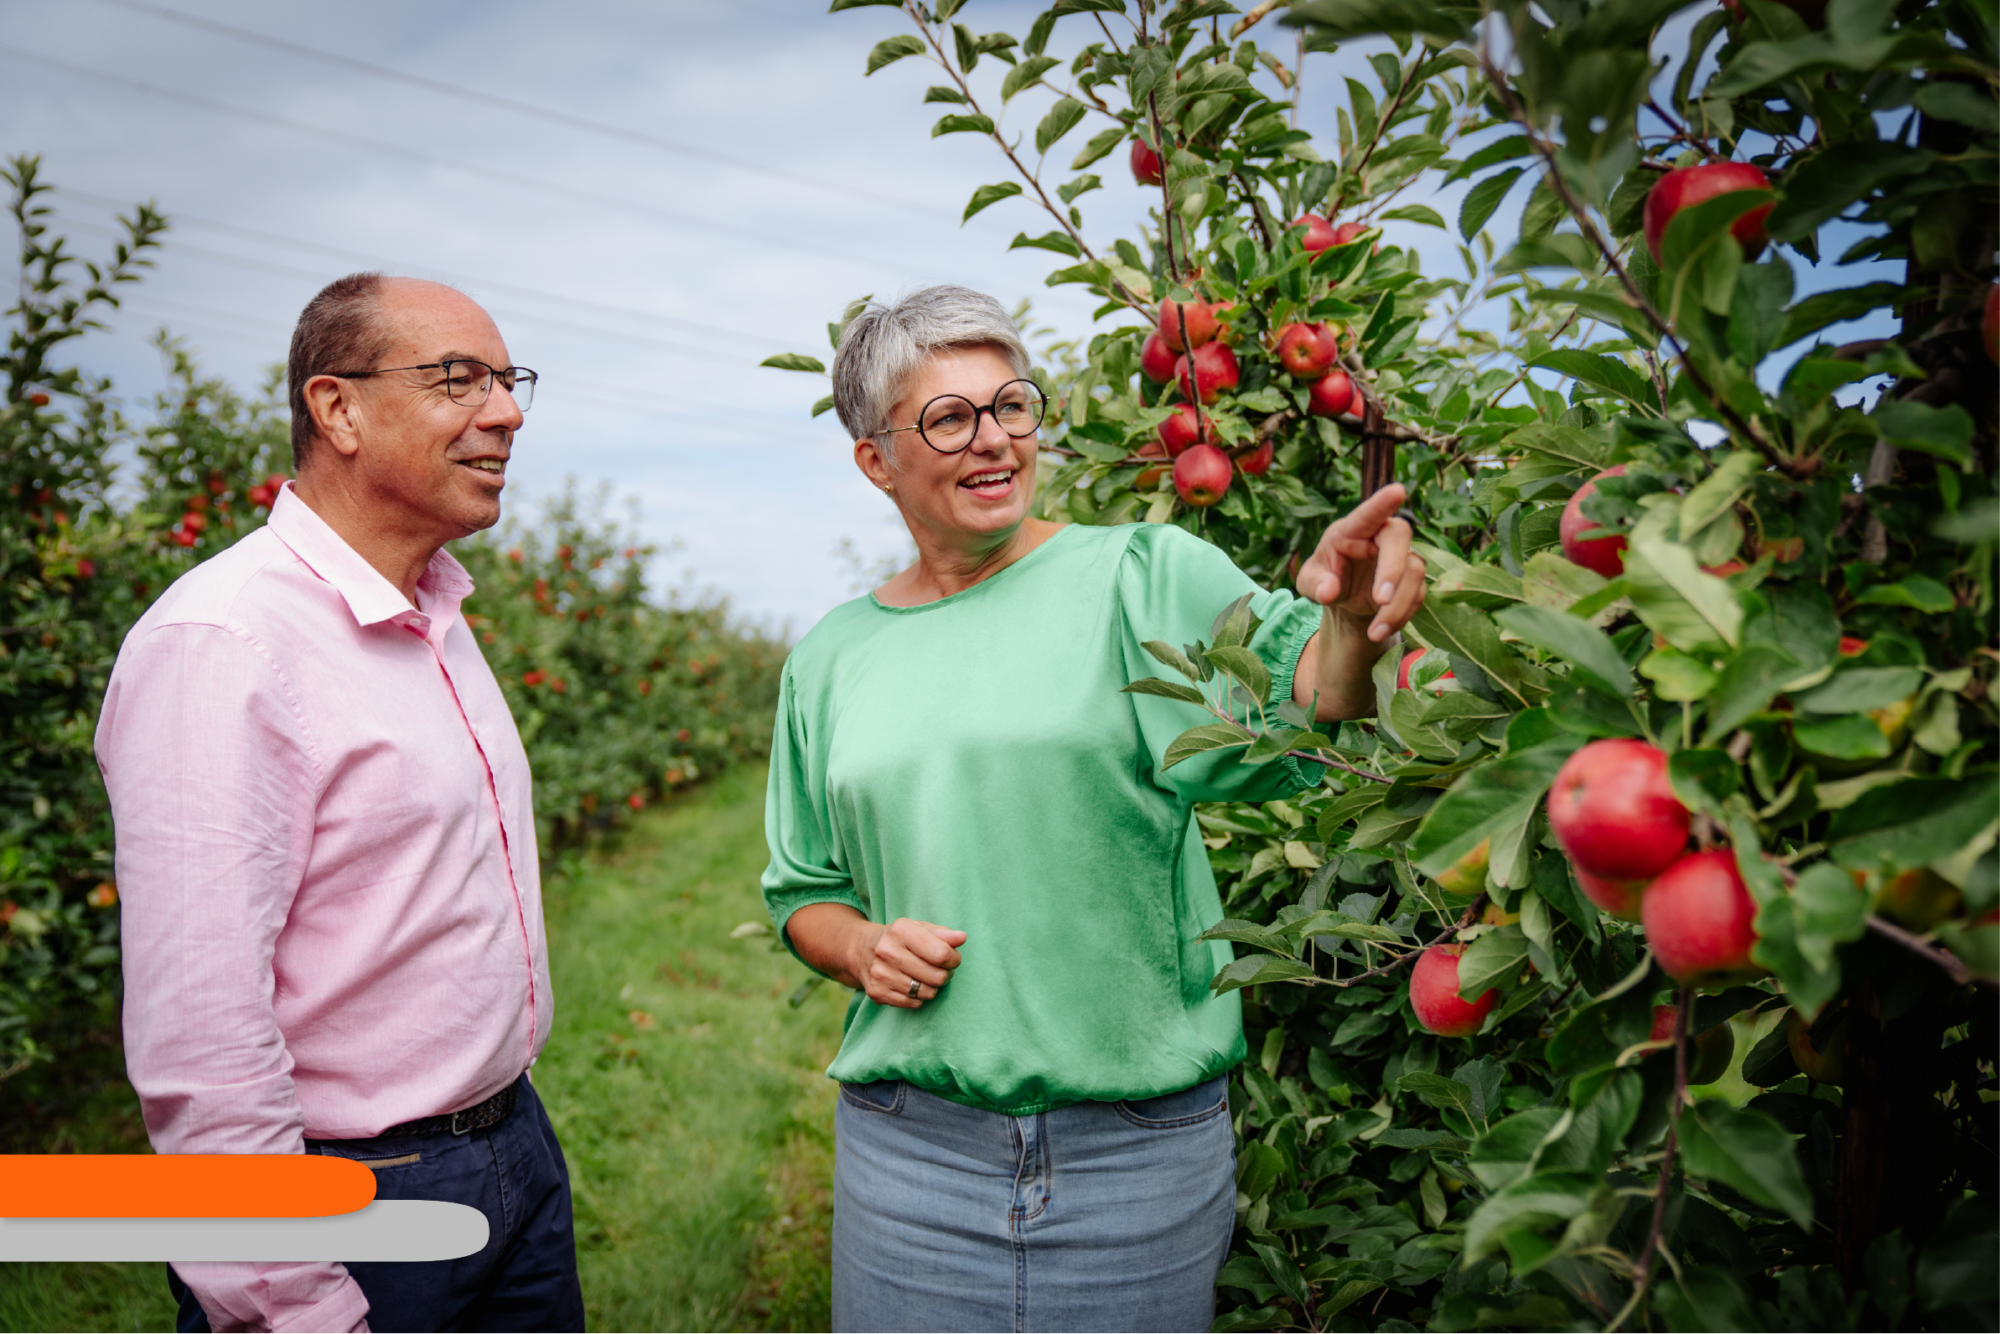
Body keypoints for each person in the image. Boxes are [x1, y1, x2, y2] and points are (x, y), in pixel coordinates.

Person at [760, 285, 1427, 1333]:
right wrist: (859, 948)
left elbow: (1310, 696)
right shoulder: (831, 658)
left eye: (1010, 405)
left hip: (1132, 1150)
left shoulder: (1135, 576)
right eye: (949, 417)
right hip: (911, 1150)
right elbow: (803, 887)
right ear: (875, 459)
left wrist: (1350, 630)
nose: (994, 441)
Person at [95, 272, 584, 1334]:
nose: (504, 411)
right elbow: (201, 1040)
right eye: (459, 378)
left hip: (512, 1151)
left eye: (509, 382)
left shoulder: (438, 615)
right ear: (337, 408)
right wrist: (287, 1297)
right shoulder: (224, 645)